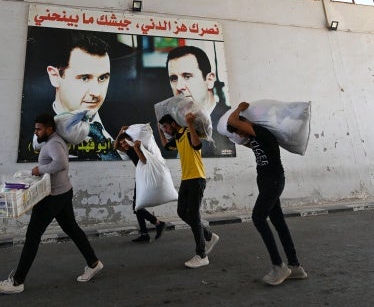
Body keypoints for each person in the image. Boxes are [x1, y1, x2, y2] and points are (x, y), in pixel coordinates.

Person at [0, 113, 103, 294]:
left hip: (53, 197)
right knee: (72, 229)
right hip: (62, 192)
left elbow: (61, 163)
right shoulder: (53, 141)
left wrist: (38, 169)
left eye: (39, 129)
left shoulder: (54, 143)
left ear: (49, 129)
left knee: (32, 236)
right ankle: (94, 263)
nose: (36, 132)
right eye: (35, 129)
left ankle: (17, 282)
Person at [226, 102, 307, 286]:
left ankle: (279, 265)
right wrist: (237, 138)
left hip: (273, 181)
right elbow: (250, 144)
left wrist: (239, 108)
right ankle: (295, 266)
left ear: (245, 123)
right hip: (267, 182)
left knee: (258, 217)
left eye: (239, 130)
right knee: (278, 221)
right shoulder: (256, 139)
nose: (240, 134)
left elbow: (232, 119)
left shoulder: (261, 132)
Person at [31, 30, 121, 161]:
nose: (96, 92)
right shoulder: (37, 130)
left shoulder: (127, 118)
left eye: (102, 78)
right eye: (84, 78)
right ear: (55, 76)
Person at [158, 113, 219, 268]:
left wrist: (190, 124)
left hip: (197, 178)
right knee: (181, 212)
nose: (165, 130)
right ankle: (208, 236)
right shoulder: (178, 137)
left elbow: (197, 145)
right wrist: (159, 131)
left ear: (172, 123)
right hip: (186, 179)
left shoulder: (187, 131)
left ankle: (201, 255)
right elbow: (166, 146)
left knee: (193, 214)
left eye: (165, 126)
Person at [166, 45, 236, 157]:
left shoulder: (230, 123)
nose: (179, 87)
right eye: (174, 79)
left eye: (187, 76)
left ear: (209, 80)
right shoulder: (169, 127)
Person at [114, 126, 166, 243]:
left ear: (129, 140)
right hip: (141, 178)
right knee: (138, 207)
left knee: (136, 207)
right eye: (122, 143)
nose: (123, 145)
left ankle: (157, 223)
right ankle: (145, 234)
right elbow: (115, 146)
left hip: (145, 178)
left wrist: (136, 148)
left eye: (125, 142)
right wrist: (121, 131)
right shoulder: (128, 149)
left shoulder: (138, 147)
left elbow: (144, 161)